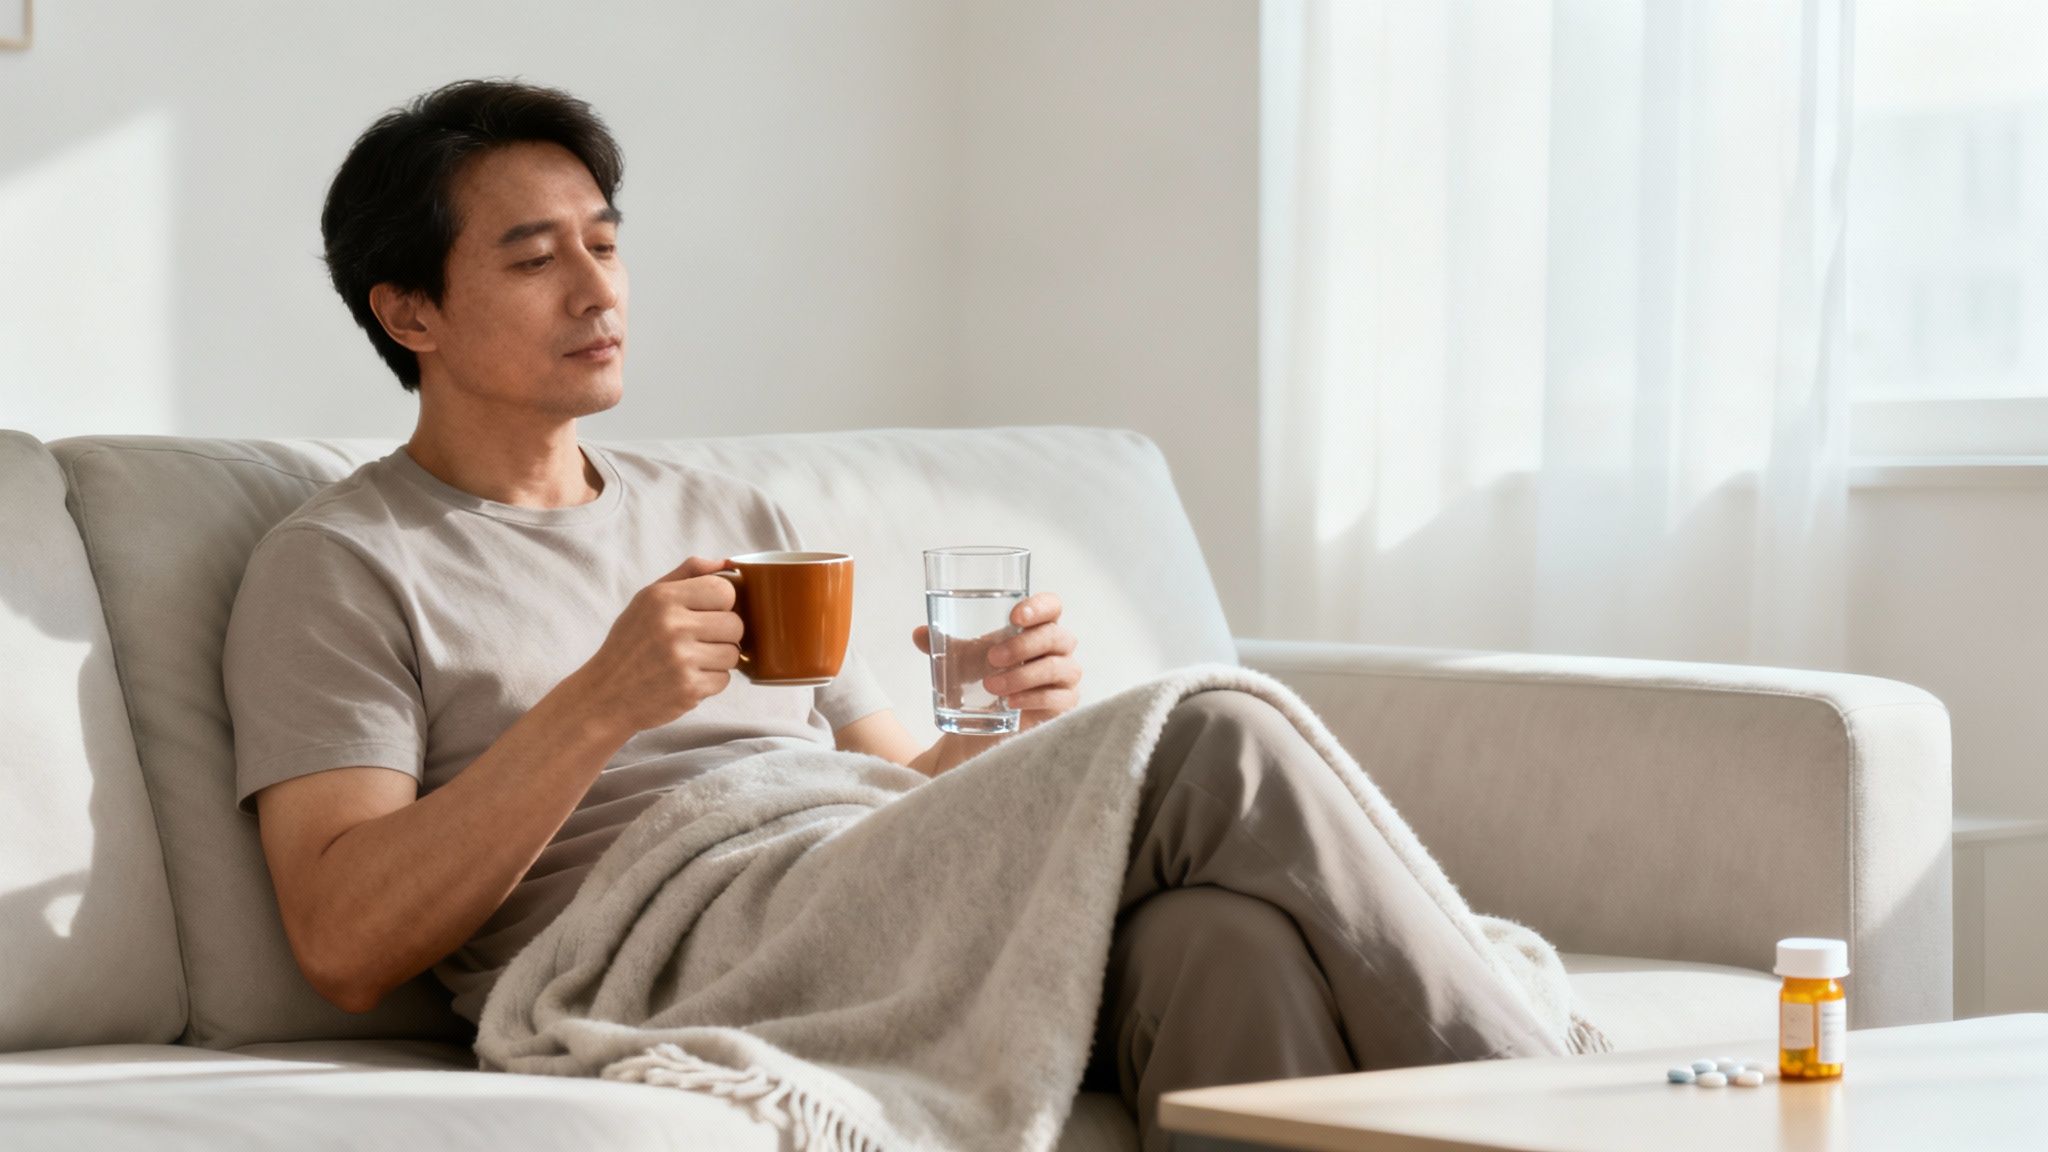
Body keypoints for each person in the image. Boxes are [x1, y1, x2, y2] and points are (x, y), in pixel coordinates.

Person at [222, 79, 1562, 1152]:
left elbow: (891, 802)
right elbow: (345, 943)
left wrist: (998, 733)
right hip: (669, 946)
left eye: (607, 242)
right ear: (410, 311)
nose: (598, 288)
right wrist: (602, 703)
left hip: (848, 884)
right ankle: (1561, 1110)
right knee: (1212, 732)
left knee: (1218, 946)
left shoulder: (724, 507)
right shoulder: (342, 562)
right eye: (534, 258)